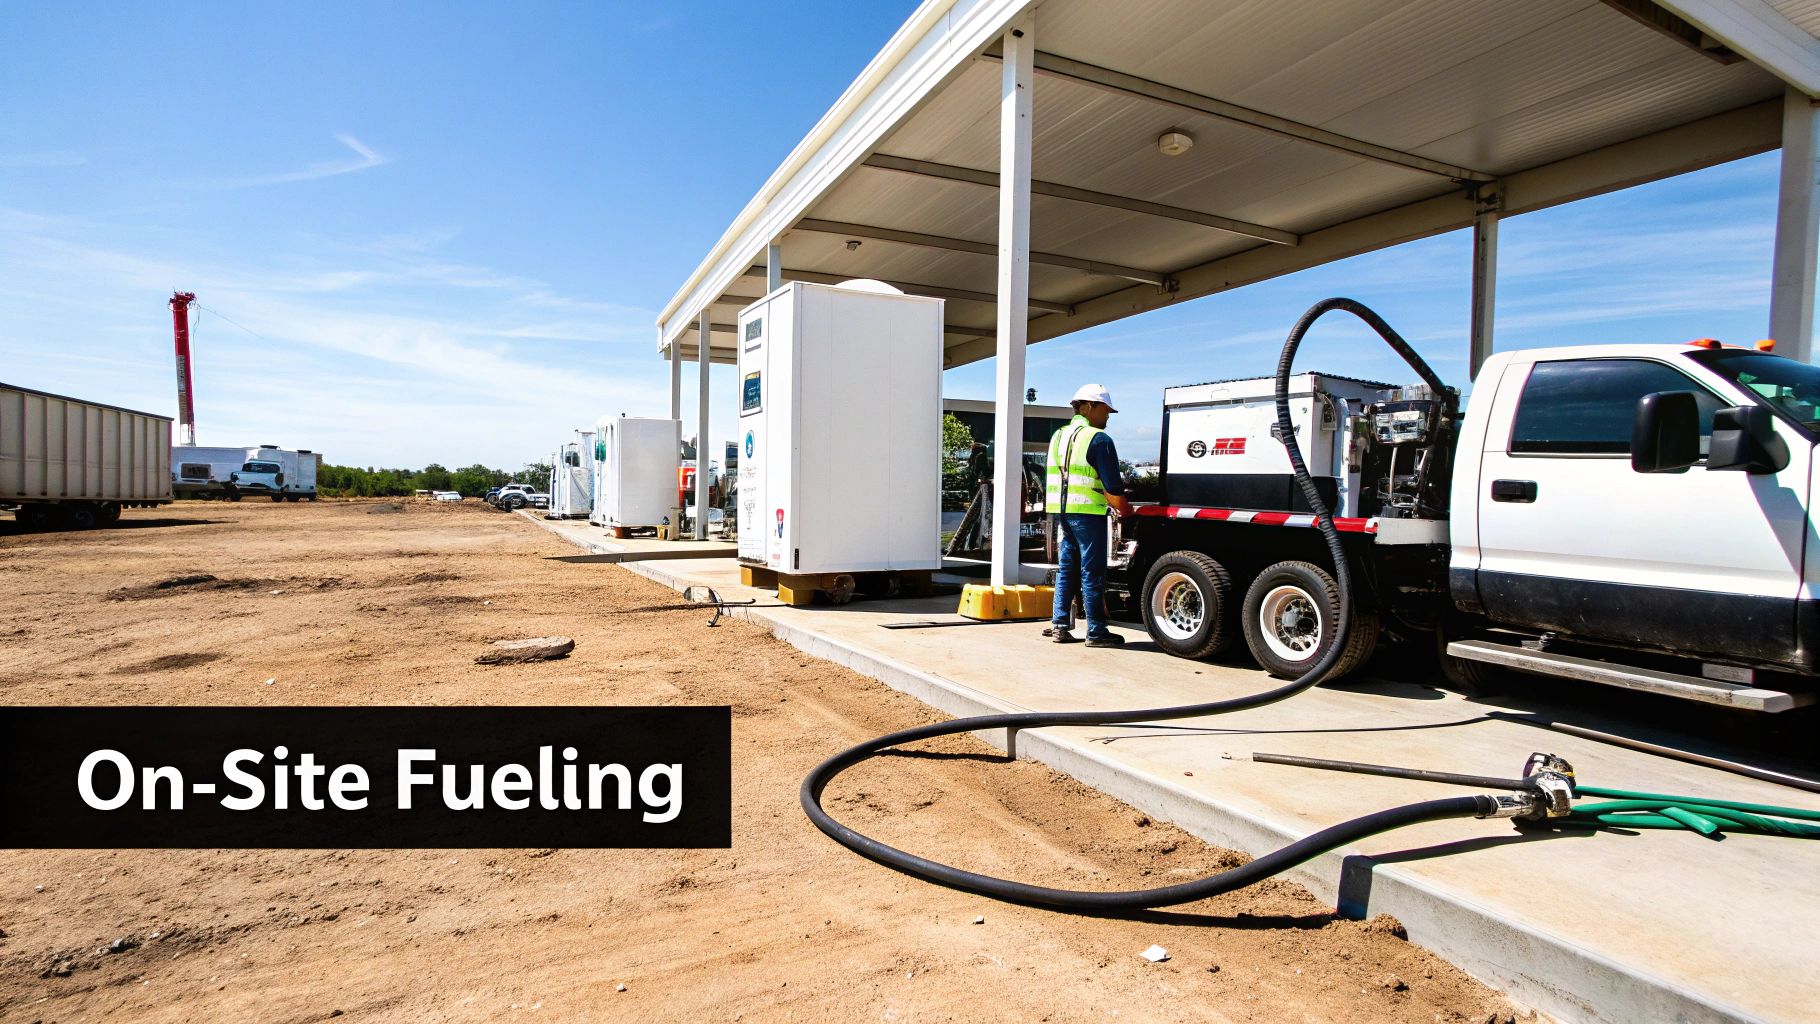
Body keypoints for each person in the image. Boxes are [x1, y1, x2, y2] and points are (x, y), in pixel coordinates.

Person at [1046, 384, 1130, 647]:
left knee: (1067, 569)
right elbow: (1113, 486)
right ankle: (1096, 631)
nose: (1108, 417)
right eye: (1106, 410)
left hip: (1062, 512)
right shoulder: (1098, 439)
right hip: (1088, 514)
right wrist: (1127, 512)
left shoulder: (1058, 435)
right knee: (1091, 572)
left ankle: (1059, 625)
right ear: (1088, 406)